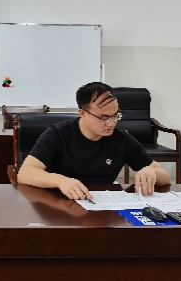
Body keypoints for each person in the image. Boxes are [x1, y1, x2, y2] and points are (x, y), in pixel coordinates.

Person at [17, 82, 171, 200]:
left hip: (100, 205)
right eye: (104, 118)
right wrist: (60, 181)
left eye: (115, 116)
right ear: (83, 113)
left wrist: (150, 171)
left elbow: (164, 177)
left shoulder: (121, 139)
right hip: (60, 203)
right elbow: (25, 173)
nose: (111, 123)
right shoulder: (58, 134)